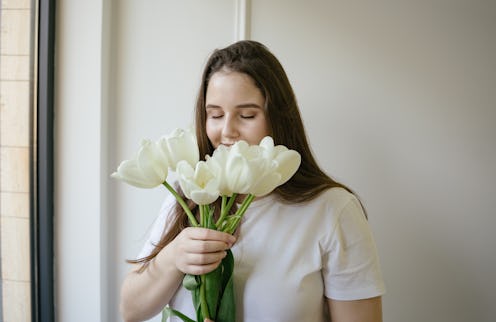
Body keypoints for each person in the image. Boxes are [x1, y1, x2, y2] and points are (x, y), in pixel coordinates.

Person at [120, 40, 385, 322]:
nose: (227, 131)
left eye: (247, 115)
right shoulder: (188, 193)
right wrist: (173, 257)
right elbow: (130, 311)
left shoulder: (332, 210)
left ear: (279, 119)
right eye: (215, 115)